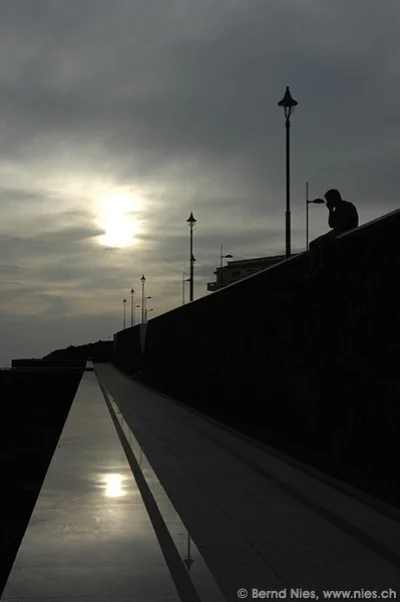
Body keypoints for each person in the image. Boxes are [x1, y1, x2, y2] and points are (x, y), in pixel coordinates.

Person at [306, 189, 359, 279]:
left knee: (323, 240)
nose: (328, 202)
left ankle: (321, 267)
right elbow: (331, 224)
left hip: (347, 231)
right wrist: (330, 211)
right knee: (312, 244)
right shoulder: (336, 209)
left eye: (329, 200)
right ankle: (312, 269)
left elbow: (344, 224)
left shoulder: (348, 206)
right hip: (337, 232)